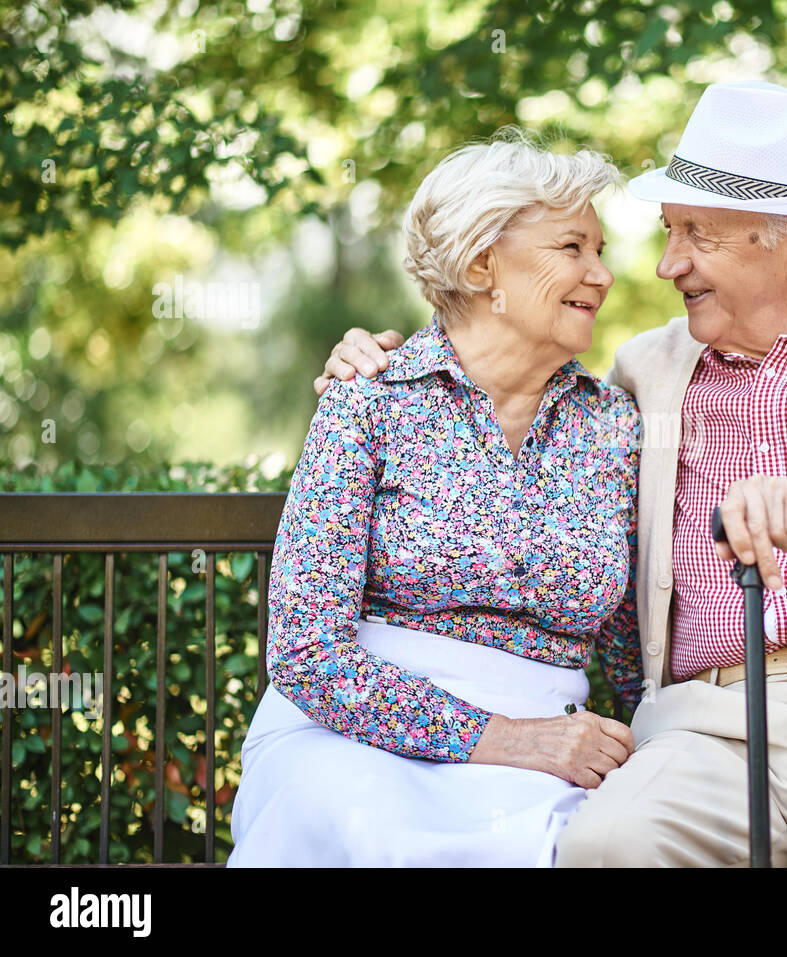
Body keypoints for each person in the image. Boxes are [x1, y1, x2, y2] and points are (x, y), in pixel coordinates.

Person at [318, 81, 787, 867]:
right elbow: (504, 380)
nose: (668, 264)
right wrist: (380, 365)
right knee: (607, 844)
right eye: (672, 231)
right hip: (708, 728)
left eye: (697, 234)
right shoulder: (646, 374)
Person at [229, 128, 641, 867]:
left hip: (550, 752)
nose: (602, 274)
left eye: (600, 250)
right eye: (573, 248)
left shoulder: (611, 422)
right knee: (368, 825)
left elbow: (632, 646)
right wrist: (508, 740)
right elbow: (305, 652)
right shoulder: (369, 400)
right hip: (346, 737)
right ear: (484, 264)